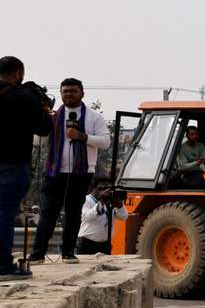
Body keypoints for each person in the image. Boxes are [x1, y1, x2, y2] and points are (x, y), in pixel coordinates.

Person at [29, 78, 110, 265]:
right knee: (49, 212)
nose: (68, 94)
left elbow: (105, 141)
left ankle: (68, 253)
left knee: (73, 213)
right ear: (60, 94)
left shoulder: (93, 116)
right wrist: (41, 121)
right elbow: (38, 142)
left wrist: (81, 136)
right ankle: (38, 254)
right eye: (65, 91)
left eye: (73, 91)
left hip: (81, 172)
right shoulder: (53, 116)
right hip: (55, 171)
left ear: (82, 93)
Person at [0, 57, 53, 280]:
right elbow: (43, 129)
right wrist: (42, 107)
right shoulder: (24, 97)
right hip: (12, 164)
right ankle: (3, 266)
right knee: (4, 214)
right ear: (18, 72)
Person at [76, 176, 127, 255]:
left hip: (105, 245)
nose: (105, 191)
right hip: (87, 244)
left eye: (108, 188)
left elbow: (123, 217)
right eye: (102, 188)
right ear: (94, 188)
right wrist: (102, 202)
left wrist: (119, 206)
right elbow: (86, 217)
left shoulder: (111, 200)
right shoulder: (86, 200)